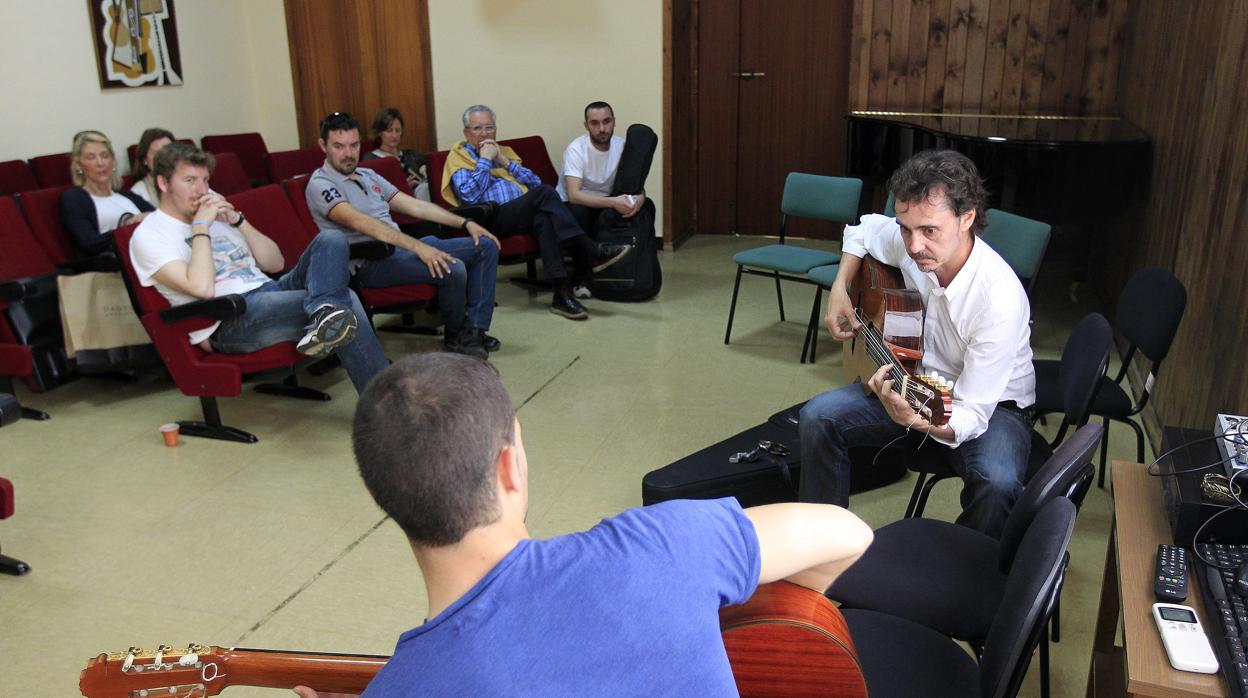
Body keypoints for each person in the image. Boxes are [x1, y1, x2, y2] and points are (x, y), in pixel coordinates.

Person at [293, 353, 871, 695]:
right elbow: (847, 533)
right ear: (509, 465)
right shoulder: (665, 546)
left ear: (382, 494)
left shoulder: (403, 687)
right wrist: (745, 628)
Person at [798, 149, 1035, 539]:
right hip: (917, 382)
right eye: (906, 228)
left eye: (929, 230)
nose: (913, 245)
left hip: (994, 408)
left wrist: (914, 419)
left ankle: (964, 576)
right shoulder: (913, 242)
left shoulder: (999, 299)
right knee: (817, 418)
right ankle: (822, 545)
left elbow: (973, 414)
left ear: (967, 218)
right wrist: (840, 288)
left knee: (997, 485)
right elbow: (863, 229)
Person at [130, 143, 387, 394]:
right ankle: (381, 406)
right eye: (189, 180)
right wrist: (200, 227)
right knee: (347, 301)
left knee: (331, 240)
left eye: (205, 179)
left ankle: (324, 314)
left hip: (269, 290)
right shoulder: (150, 235)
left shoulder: (216, 217)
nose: (202, 190)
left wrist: (238, 221)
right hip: (230, 316)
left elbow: (273, 263)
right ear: (163, 183)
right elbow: (202, 288)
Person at [306, 112, 501, 359]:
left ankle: (473, 331)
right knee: (452, 267)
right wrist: (420, 248)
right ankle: (455, 335)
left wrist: (466, 222)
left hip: (400, 250)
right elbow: (363, 224)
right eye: (339, 146)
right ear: (323, 146)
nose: (348, 153)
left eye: (354, 145)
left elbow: (415, 206)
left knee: (485, 245)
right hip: (370, 262)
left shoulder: (367, 175)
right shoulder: (321, 184)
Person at [443, 104, 632, 320]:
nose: (485, 133)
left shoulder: (504, 152)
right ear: (467, 132)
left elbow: (534, 182)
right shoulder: (458, 156)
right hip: (488, 218)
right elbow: (469, 196)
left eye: (489, 128)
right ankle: (588, 247)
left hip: (519, 213)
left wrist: (502, 161)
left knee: (544, 217)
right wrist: (485, 160)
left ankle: (561, 294)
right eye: (477, 128)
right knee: (545, 194)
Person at [556, 101, 656, 239]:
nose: (602, 129)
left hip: (608, 201)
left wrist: (638, 200)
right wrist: (614, 202)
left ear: (614, 122)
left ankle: (635, 257)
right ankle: (589, 258)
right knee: (580, 212)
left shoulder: (622, 146)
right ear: (586, 126)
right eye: (595, 123)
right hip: (577, 203)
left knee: (647, 206)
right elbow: (574, 196)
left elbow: (637, 185)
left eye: (607, 121)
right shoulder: (576, 149)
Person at [60, 130, 154, 257]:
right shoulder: (74, 198)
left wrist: (148, 216)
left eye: (104, 156)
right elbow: (89, 243)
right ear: (78, 165)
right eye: (91, 157)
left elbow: (163, 218)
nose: (100, 163)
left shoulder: (126, 195)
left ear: (113, 161)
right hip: (119, 263)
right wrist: (127, 228)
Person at [361, 108, 430, 201]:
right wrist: (402, 187)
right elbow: (372, 191)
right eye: (389, 131)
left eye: (398, 130)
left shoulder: (412, 155)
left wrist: (427, 171)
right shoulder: (371, 160)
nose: (394, 135)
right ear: (380, 132)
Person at [129, 127, 175, 205]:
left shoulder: (191, 181)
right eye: (157, 154)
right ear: (144, 160)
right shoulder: (138, 193)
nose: (165, 157)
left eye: (169, 151)